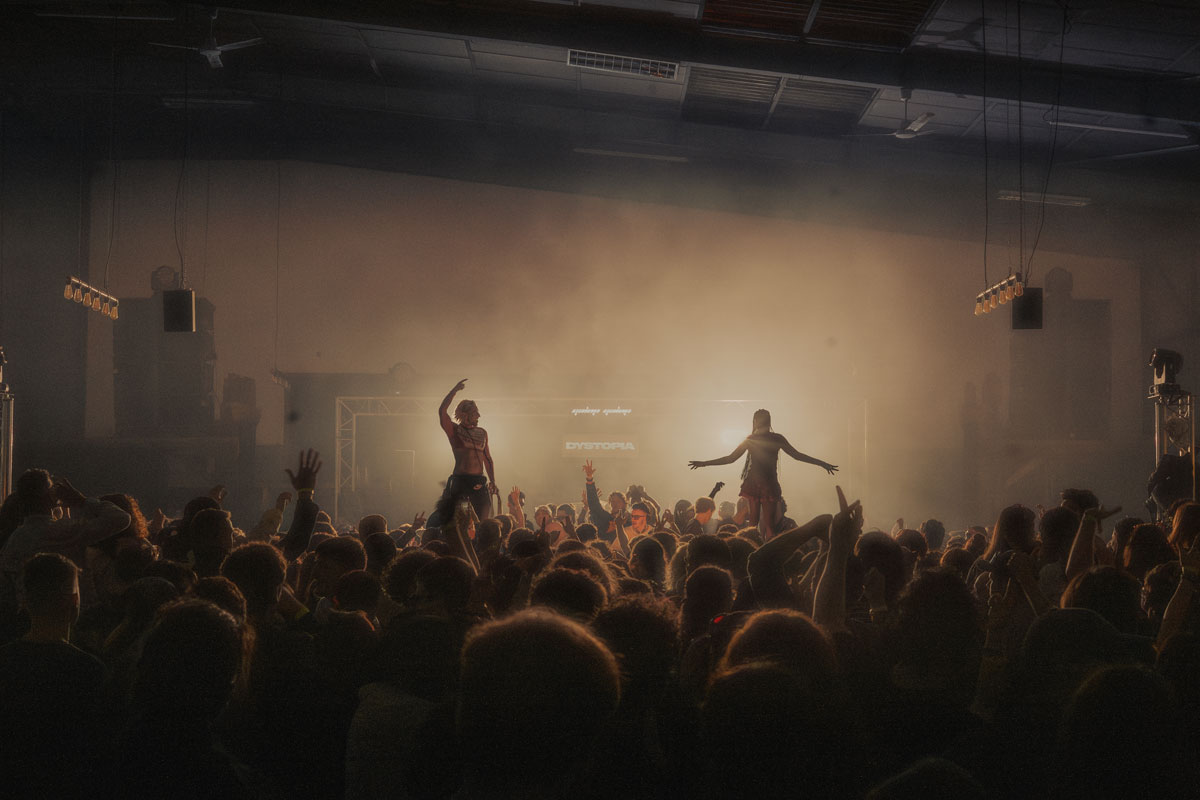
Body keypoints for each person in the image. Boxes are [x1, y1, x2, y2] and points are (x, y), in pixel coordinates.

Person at [689, 409, 837, 540]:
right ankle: (766, 556)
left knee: (752, 525)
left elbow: (730, 459)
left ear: (755, 421)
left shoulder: (751, 440)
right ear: (769, 421)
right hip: (769, 484)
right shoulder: (776, 438)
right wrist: (822, 464)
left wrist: (704, 463)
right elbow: (798, 456)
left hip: (753, 483)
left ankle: (748, 551)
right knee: (769, 527)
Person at [432, 379, 498, 526]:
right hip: (461, 484)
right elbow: (442, 411)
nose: (479, 416)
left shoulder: (482, 433)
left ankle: (481, 541)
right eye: (475, 413)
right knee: (463, 521)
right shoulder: (455, 430)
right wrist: (454, 391)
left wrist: (493, 481)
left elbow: (488, 459)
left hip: (480, 481)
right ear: (465, 414)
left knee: (484, 520)